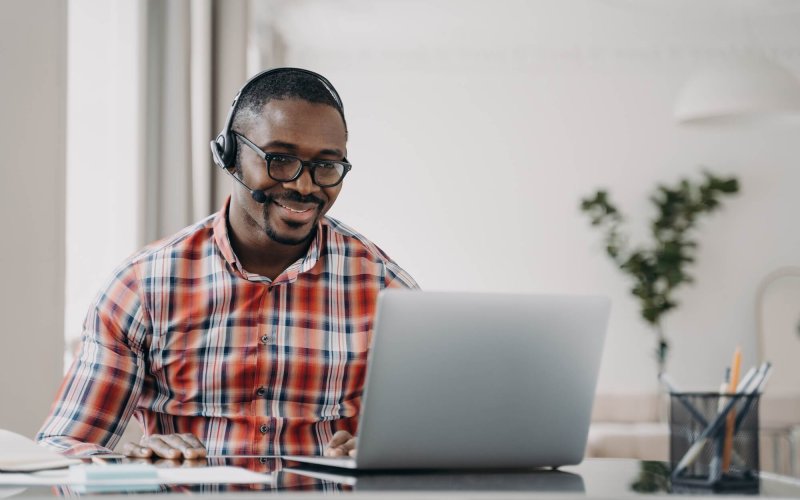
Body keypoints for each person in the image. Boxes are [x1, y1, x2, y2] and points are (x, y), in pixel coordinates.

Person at [36, 68, 417, 461]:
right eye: (280, 160)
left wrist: (394, 457)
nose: (304, 186)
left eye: (326, 166)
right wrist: (130, 466)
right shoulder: (143, 288)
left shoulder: (386, 290)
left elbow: (433, 448)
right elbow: (61, 451)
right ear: (229, 155)